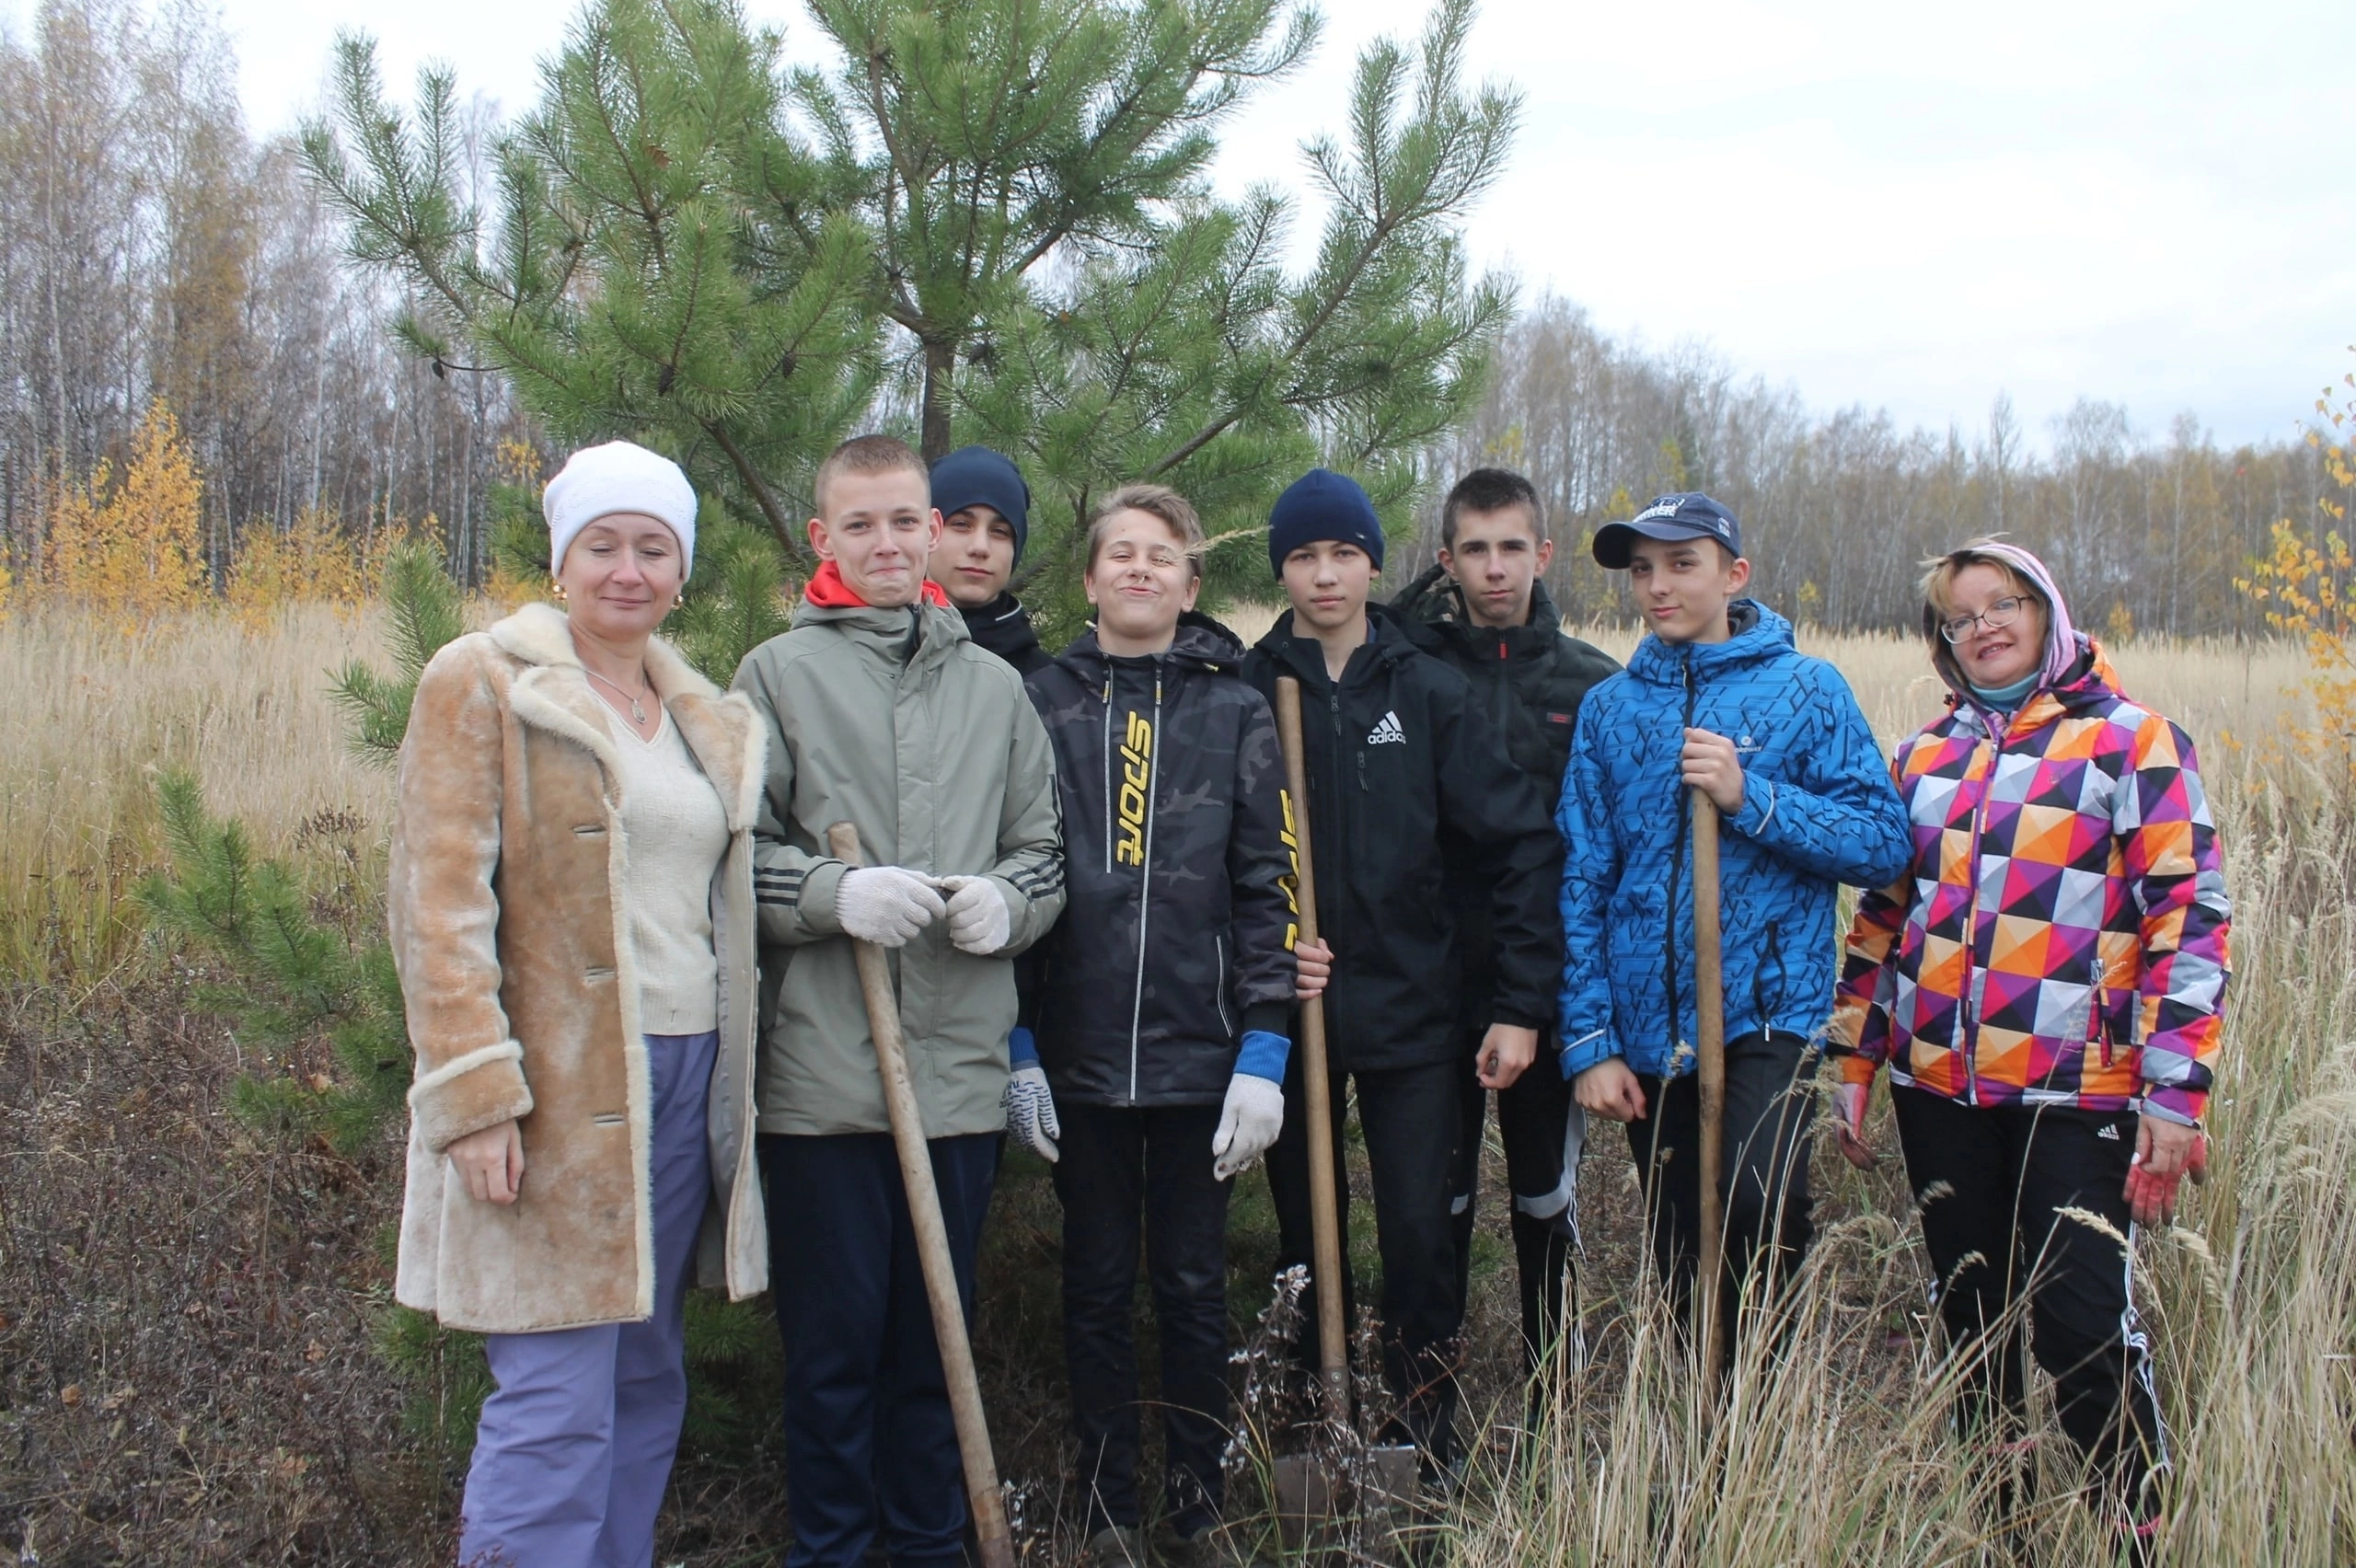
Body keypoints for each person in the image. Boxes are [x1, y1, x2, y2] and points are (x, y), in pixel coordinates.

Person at [388, 440, 769, 1567]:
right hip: (555, 1084)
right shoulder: (483, 681)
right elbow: (436, 903)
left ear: (682, 570)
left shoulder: (703, 713)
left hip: (686, 1077)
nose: (627, 570)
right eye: (601, 545)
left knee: (645, 1376)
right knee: (555, 1390)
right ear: (562, 562)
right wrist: (473, 1096)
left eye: (653, 548)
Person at [1828, 538, 2230, 1556]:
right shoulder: (1921, 758)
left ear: (2046, 609)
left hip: (2079, 1092)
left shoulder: (2130, 744)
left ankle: (2132, 1525)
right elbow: (1881, 918)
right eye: (1959, 618)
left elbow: (2189, 919)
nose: (1983, 628)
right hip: (1938, 1089)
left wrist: (2175, 1097)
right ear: (1942, 642)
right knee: (1975, 1321)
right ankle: (2000, 1525)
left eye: (2001, 604)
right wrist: (1854, 1063)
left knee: (2080, 1324)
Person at [733, 434, 1066, 1568]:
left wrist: (1000, 906)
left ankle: (928, 1547)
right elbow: (729, 863)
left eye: (905, 522)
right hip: (824, 1085)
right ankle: (830, 1551)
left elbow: (1043, 857)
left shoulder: (995, 690)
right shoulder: (775, 676)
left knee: (936, 1352)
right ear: (823, 538)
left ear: (934, 530)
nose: (887, 543)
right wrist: (833, 892)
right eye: (859, 525)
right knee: (832, 1359)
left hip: (958, 1081)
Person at [1241, 467, 1562, 1477]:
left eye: (1343, 553)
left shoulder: (1426, 689)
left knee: (1422, 1227)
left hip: (1414, 1006)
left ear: (1375, 563)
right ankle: (1310, 1409)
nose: (1324, 574)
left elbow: (1518, 847)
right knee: (1305, 1222)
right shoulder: (1251, 690)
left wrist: (1517, 1002)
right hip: (1293, 1009)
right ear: (1282, 568)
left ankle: (1422, 1423)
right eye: (1302, 555)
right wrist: (1263, 949)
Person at [1020, 485, 1301, 1566]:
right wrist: (1018, 1049)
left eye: (1162, 558)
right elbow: (1013, 875)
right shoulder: (1036, 698)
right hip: (1077, 1061)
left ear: (1190, 586)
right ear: (1089, 579)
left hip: (1202, 1065)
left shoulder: (1233, 708)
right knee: (1092, 1285)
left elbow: (1265, 885)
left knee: (1190, 1287)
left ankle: (1197, 1509)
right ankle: (1106, 1512)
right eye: (1119, 554)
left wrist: (1264, 1053)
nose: (1139, 570)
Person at [1557, 492, 1910, 1343]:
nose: (1657, 587)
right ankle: (1709, 1446)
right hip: (1649, 1023)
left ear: (1734, 574)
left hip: (1766, 1009)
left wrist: (1753, 796)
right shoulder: (1612, 710)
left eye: (1682, 565)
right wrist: (1592, 1041)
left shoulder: (1806, 692)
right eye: (1642, 570)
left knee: (1758, 1202)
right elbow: (1584, 876)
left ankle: (1763, 1392)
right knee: (1681, 1245)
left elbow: (1882, 844)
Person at [1392, 467, 1621, 1391]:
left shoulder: (1591, 687)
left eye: (1511, 548)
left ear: (1542, 554)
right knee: (1434, 1196)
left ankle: (1545, 1385)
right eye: (1474, 550)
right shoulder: (1407, 671)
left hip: (1548, 987)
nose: (1495, 569)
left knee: (1542, 1191)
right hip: (1433, 984)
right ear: (1446, 560)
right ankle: (1428, 1394)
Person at [927, 443, 1053, 675]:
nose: (980, 548)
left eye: (999, 531)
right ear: (929, 532)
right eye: (962, 525)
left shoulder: (1046, 685)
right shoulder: (877, 653)